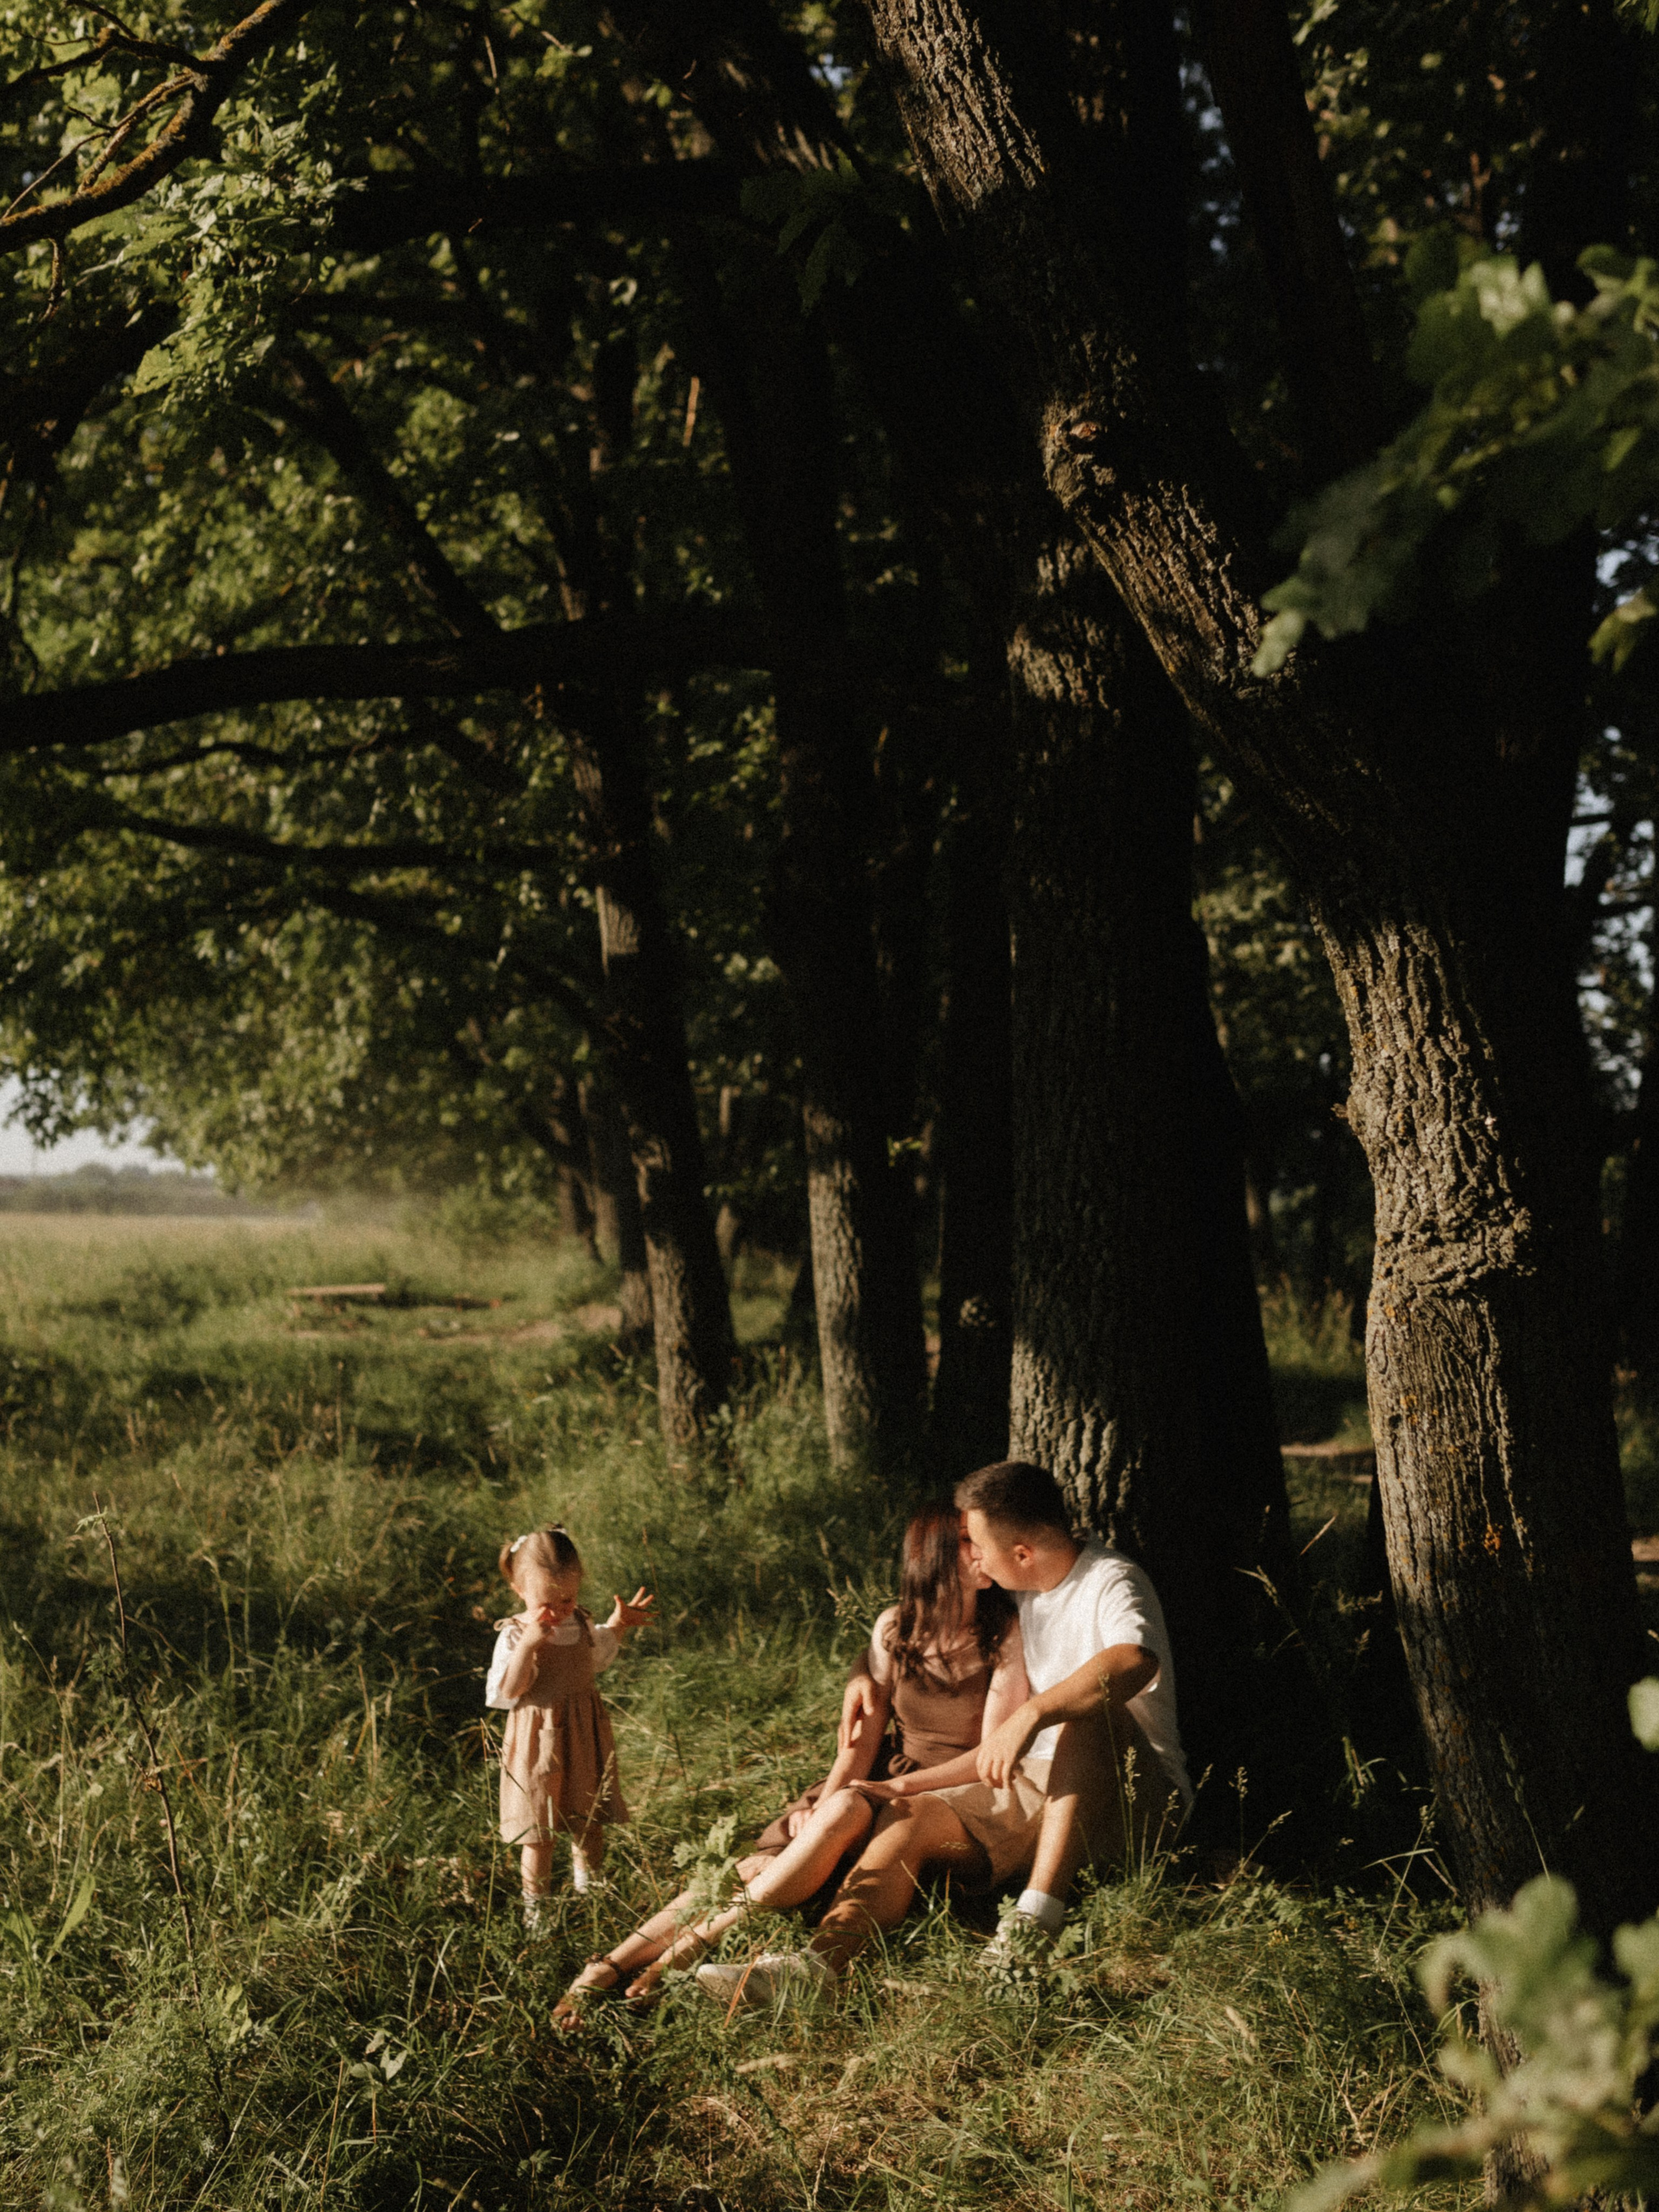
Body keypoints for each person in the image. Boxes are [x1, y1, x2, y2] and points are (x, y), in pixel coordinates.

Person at [706, 1459, 1189, 2004]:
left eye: (978, 1545)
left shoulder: (1110, 1580)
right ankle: (819, 1966)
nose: (973, 1557)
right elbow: (906, 1629)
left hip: (1134, 1796)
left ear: (1022, 1553)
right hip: (1037, 1785)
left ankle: (1032, 1927)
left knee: (1084, 1711)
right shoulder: (1021, 1589)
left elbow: (1135, 1659)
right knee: (910, 1813)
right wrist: (860, 1674)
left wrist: (1033, 1715)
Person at [551, 1498, 1026, 2024]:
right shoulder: (895, 1627)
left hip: (945, 1792)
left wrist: (890, 1793)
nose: (983, 1549)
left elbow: (989, 1754)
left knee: (833, 1819)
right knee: (762, 1861)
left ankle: (685, 1949)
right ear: (933, 1557)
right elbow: (860, 1745)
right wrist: (822, 1805)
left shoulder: (1003, 1632)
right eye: (967, 1540)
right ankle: (611, 1963)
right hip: (883, 1776)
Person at [485, 1524, 655, 1927]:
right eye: (548, 1600)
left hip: (583, 1734)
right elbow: (505, 1694)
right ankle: (537, 1912)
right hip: (536, 1740)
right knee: (537, 1830)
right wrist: (529, 1644)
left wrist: (619, 1625)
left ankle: (590, 1894)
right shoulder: (513, 1635)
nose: (560, 1609)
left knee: (589, 1817)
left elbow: (594, 1655)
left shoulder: (578, 1623)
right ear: (520, 1590)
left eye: (569, 1598)